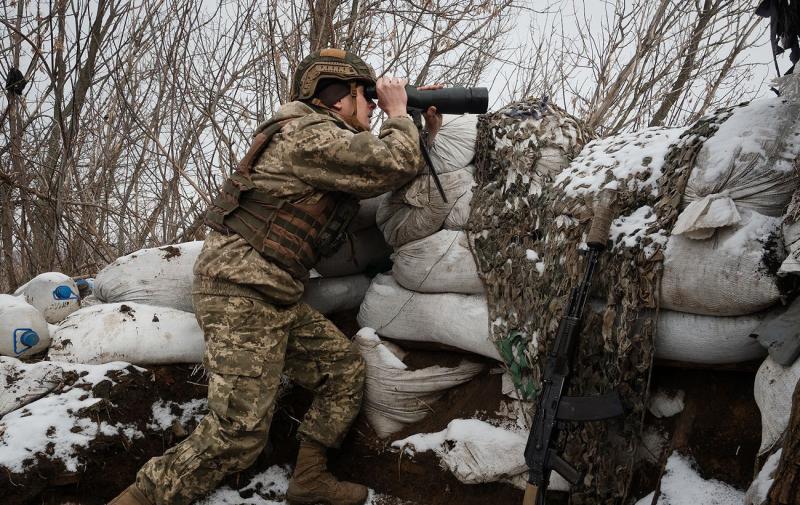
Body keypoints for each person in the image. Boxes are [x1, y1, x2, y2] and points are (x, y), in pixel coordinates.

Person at [110, 48, 439, 505]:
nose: (374, 105)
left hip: (272, 294)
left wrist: (422, 130)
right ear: (337, 98)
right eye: (366, 95)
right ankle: (137, 499)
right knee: (237, 434)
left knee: (342, 372)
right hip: (241, 290)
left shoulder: (321, 142)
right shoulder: (307, 133)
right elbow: (389, 163)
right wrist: (401, 113)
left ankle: (309, 480)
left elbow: (385, 172)